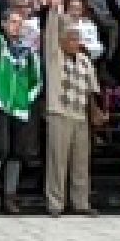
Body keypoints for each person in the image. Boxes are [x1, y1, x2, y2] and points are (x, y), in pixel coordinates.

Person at [0, 6, 42, 215]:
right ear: (4, 25)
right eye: (13, 22)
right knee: (1, 147)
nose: (17, 26)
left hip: (21, 108)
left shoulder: (28, 52)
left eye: (20, 22)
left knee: (17, 152)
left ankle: (10, 195)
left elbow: (35, 79)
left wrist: (28, 98)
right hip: (2, 104)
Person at [42, 20, 100, 217]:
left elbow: (92, 89)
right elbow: (50, 34)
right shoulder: (55, 58)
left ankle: (81, 202)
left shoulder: (85, 61)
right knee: (57, 161)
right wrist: (54, 8)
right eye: (72, 38)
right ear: (62, 41)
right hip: (60, 113)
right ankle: (55, 203)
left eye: (78, 38)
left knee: (81, 162)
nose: (76, 42)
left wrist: (95, 111)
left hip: (80, 115)